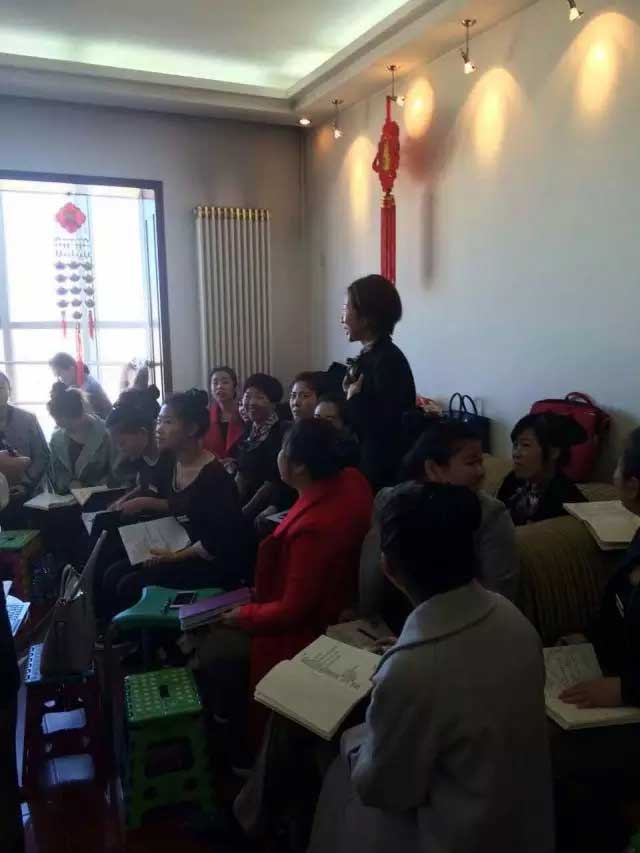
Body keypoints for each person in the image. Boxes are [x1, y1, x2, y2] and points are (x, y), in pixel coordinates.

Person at [309, 483, 554, 853]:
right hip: (524, 824)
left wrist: (353, 742)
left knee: (336, 778)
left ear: (388, 567)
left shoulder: (410, 671)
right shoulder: (512, 618)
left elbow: (383, 790)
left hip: (454, 834)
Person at [199, 418, 373, 759]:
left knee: (216, 647)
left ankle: (239, 747)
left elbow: (293, 609)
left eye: (282, 450)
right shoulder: (352, 480)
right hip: (336, 599)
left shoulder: (312, 530)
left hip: (313, 625)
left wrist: (243, 616)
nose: (277, 455)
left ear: (299, 466)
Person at [551, 427, 640, 850]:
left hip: (631, 702)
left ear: (633, 484)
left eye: (618, 464)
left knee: (565, 762)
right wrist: (585, 638)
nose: (613, 472)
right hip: (614, 677)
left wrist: (625, 689)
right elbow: (618, 613)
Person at [99, 389, 253, 618]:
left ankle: (151, 638)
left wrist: (173, 556)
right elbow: (169, 503)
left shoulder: (214, 478)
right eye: (159, 421)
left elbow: (219, 542)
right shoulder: (170, 462)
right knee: (113, 571)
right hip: (177, 544)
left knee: (128, 584)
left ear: (191, 429)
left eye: (168, 422)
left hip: (208, 561)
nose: (158, 428)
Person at [360, 421, 519, 631]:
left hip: (465, 628)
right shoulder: (391, 503)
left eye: (481, 462)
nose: (481, 471)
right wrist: (365, 617)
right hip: (394, 622)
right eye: (471, 463)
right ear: (433, 468)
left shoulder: (491, 516)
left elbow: (499, 594)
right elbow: (371, 574)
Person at [341, 274, 416, 491]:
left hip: (381, 474)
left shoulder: (387, 360)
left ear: (366, 317)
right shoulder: (372, 355)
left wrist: (353, 400)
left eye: (346, 309)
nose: (342, 319)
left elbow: (383, 428)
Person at [498, 412, 588, 526]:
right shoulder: (512, 480)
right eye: (515, 445)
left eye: (525, 445)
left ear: (553, 452)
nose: (516, 453)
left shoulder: (568, 501)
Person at [234, 373, 291, 519]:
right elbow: (241, 471)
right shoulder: (248, 428)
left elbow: (272, 482)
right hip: (246, 498)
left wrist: (243, 512)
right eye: (247, 396)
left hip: (272, 502)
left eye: (260, 397)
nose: (251, 402)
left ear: (273, 403)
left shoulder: (283, 431)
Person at [47, 382, 114, 494]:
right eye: (61, 425)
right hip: (68, 497)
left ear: (81, 414)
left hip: (103, 496)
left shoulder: (106, 434)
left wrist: (90, 488)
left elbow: (117, 472)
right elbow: (56, 473)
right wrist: (69, 483)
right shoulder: (56, 439)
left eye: (68, 424)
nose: (63, 428)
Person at [0, 371, 49, 522]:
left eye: (0, 388)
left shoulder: (28, 419)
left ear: (9, 390)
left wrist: (25, 484)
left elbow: (42, 456)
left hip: (28, 493)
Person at [49, 352, 113, 419]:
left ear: (71, 369)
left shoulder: (88, 388)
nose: (59, 380)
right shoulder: (80, 383)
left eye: (60, 374)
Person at [203, 365, 244, 462]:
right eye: (215, 383)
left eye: (225, 382)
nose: (219, 386)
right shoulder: (205, 417)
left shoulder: (244, 413)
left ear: (234, 387)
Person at [315, 392, 360, 469]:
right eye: (317, 418)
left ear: (342, 422)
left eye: (328, 420)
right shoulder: (306, 443)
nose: (320, 424)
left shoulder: (348, 452)